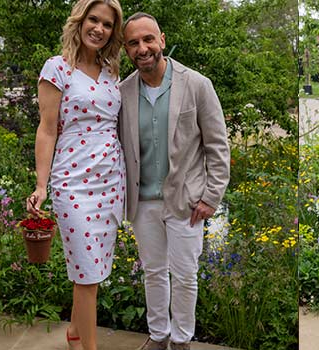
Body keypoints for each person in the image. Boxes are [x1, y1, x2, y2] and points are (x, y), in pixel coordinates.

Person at [119, 12, 230, 350]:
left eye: (148, 39)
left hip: (186, 202)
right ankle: (158, 336)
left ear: (162, 40)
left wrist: (211, 197)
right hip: (143, 203)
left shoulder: (196, 84)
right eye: (134, 43)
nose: (143, 48)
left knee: (184, 276)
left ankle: (181, 340)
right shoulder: (122, 91)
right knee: (153, 272)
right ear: (126, 49)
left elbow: (217, 145)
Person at [25, 1, 125, 349]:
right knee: (88, 274)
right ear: (79, 22)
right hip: (73, 181)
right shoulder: (57, 69)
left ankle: (74, 334)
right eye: (93, 20)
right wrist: (41, 185)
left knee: (93, 270)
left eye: (107, 24)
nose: (99, 28)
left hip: (111, 180)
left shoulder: (112, 71)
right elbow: (47, 130)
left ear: (114, 31)